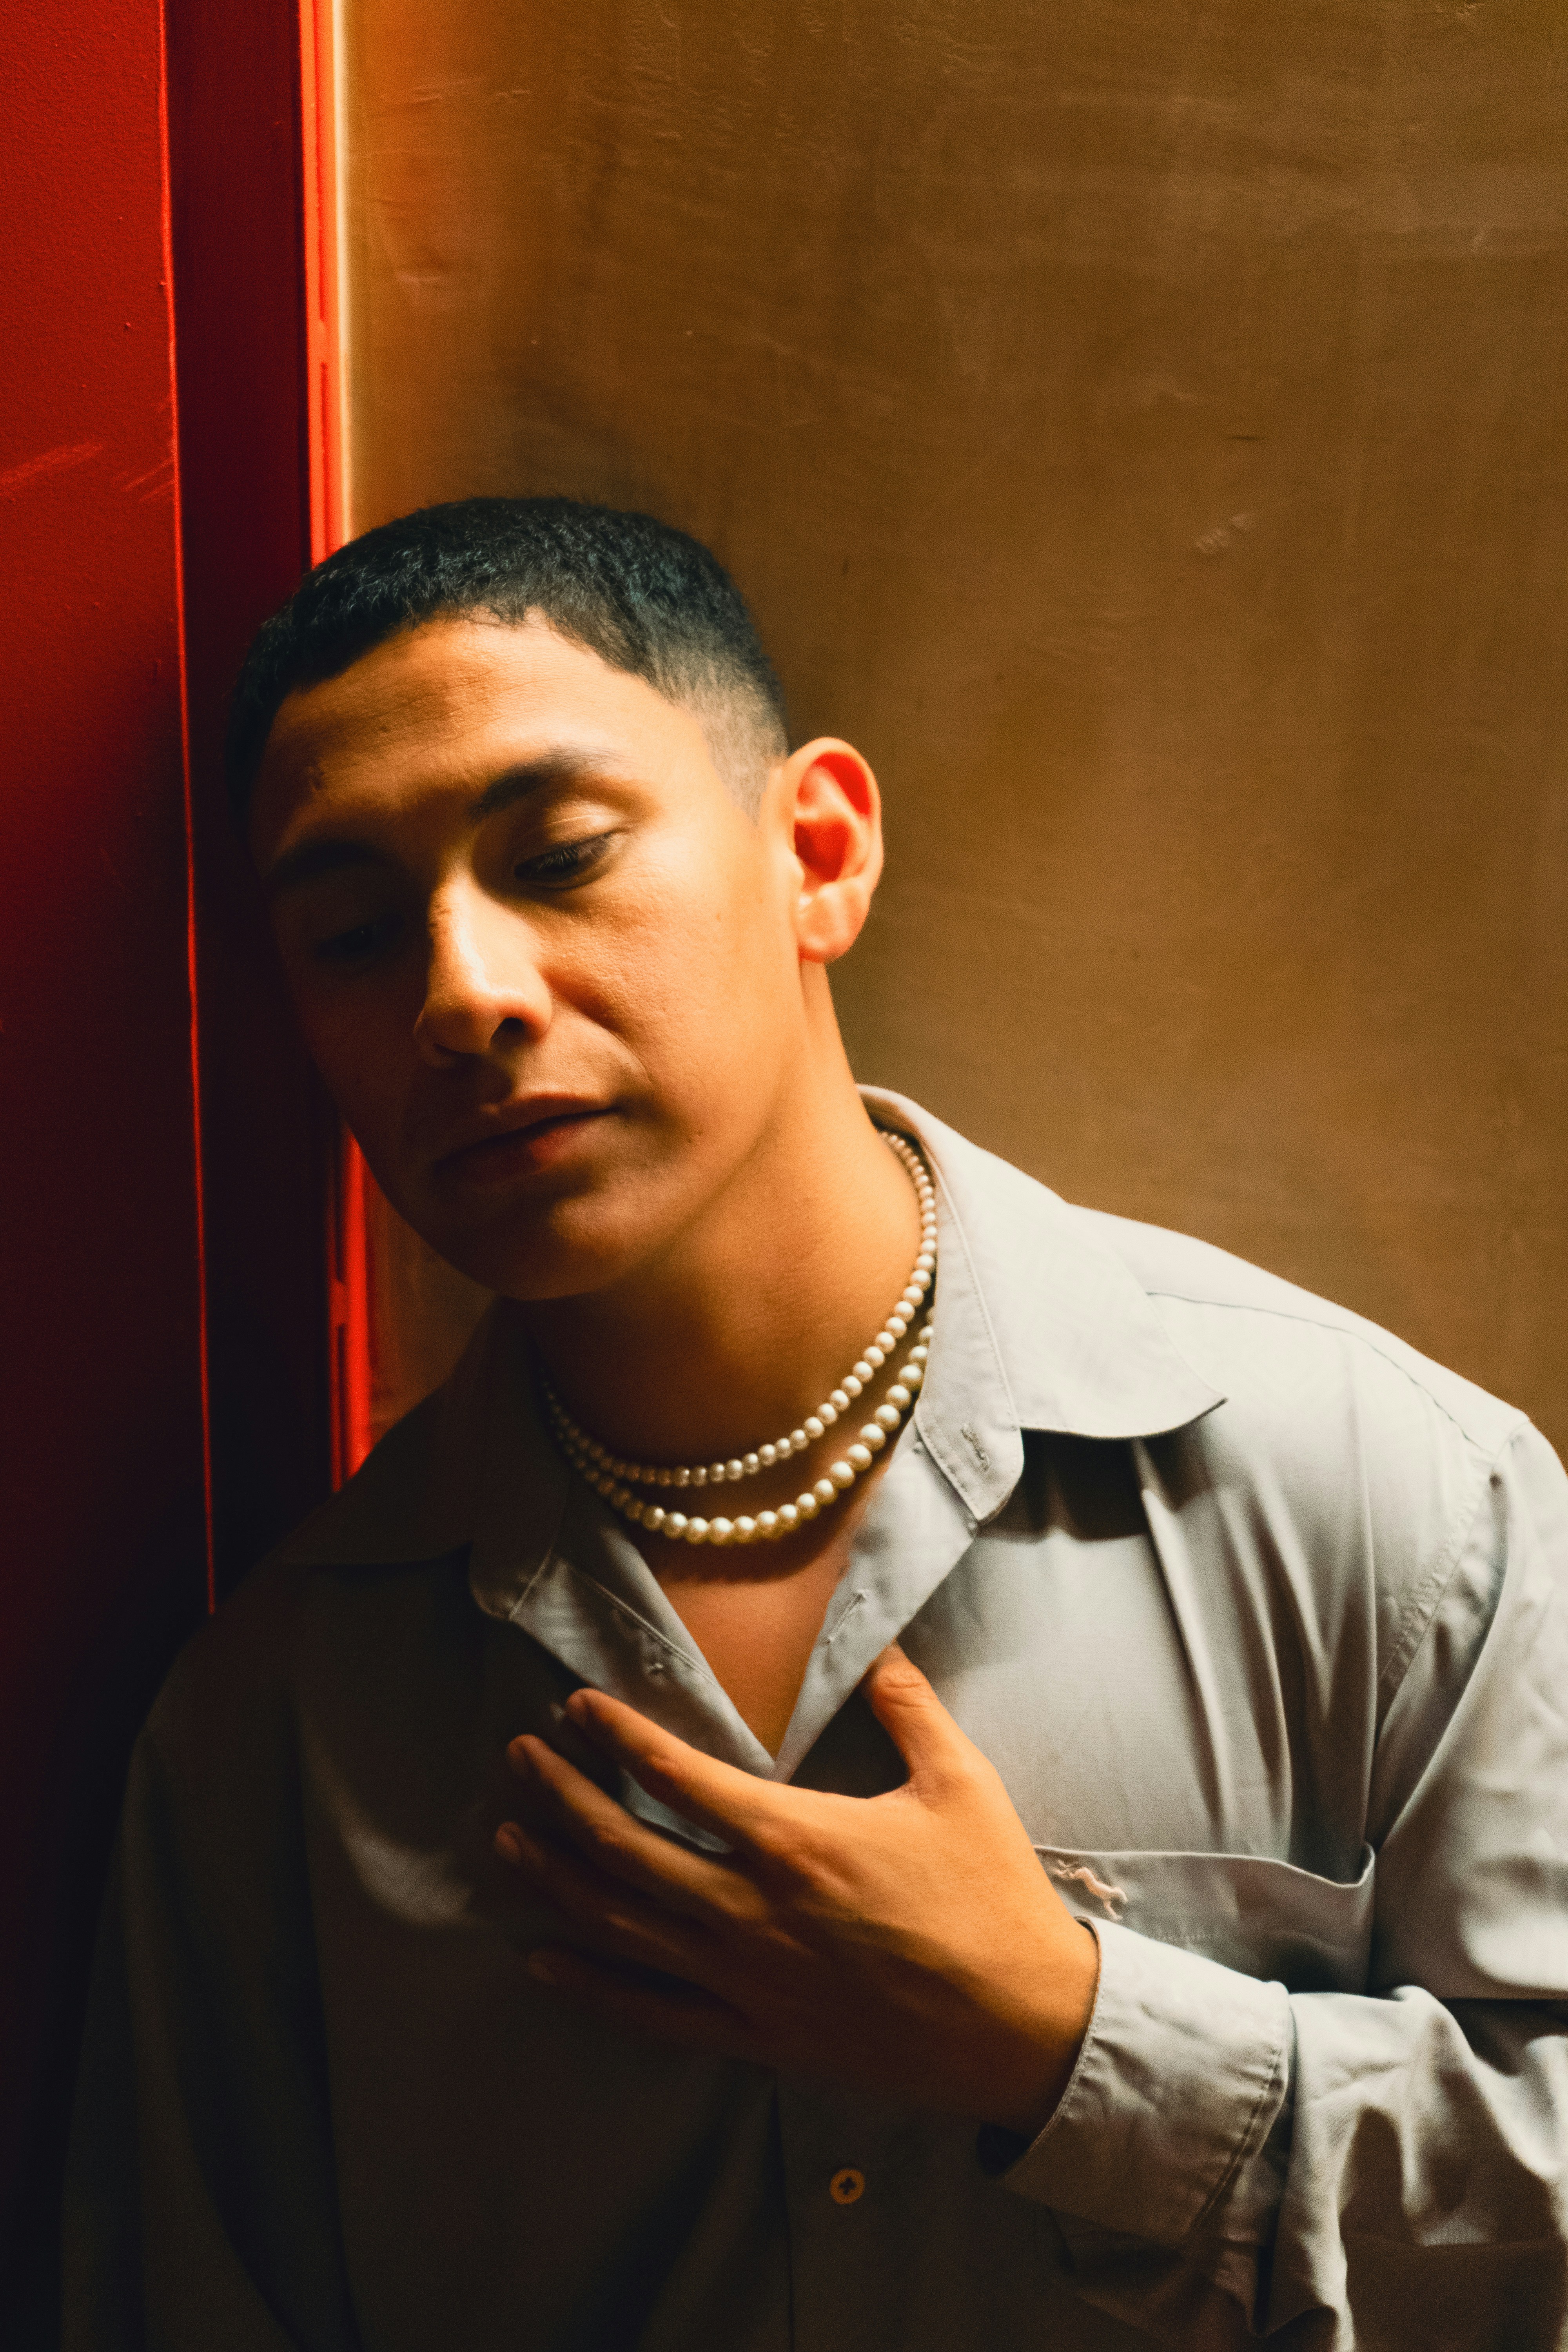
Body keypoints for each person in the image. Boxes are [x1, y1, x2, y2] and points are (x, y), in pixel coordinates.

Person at [65, 497, 1568, 2350]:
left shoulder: (1379, 1499)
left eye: (559, 855)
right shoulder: (281, 1730)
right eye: (358, 936)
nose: (462, 994)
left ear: (818, 851)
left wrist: (1067, 2042)